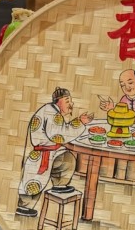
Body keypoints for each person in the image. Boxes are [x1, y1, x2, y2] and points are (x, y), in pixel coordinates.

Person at [16, 87, 93, 218]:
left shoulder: (52, 111)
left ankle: (60, 185)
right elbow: (59, 135)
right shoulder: (51, 113)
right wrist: (80, 122)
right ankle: (24, 207)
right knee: (35, 180)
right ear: (59, 101)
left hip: (53, 150)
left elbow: (61, 131)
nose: (71, 104)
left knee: (67, 158)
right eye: (67, 101)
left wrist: (78, 122)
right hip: (43, 153)